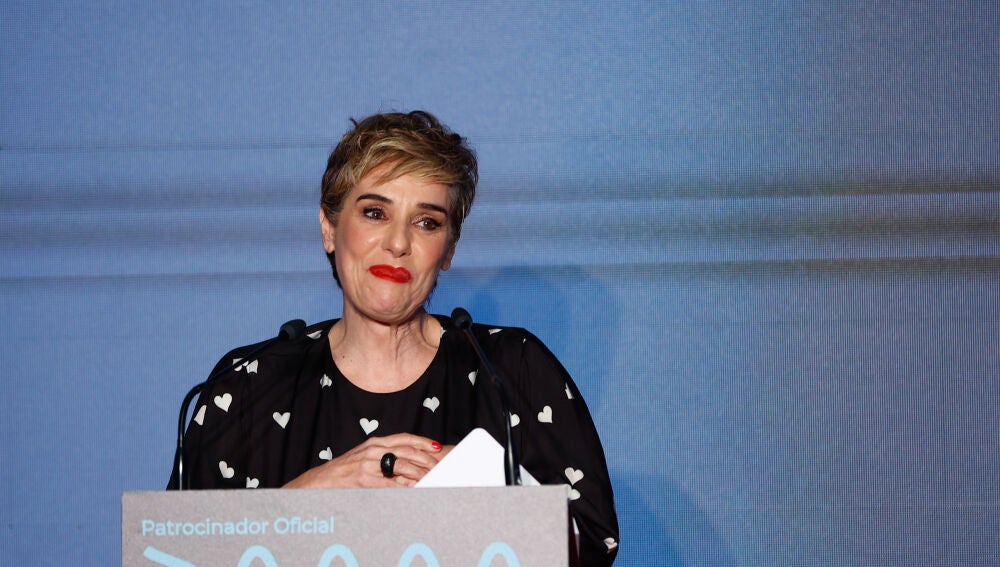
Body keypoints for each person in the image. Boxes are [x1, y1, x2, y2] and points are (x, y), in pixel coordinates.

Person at [171, 110, 619, 565]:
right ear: (329, 227)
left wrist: (477, 484)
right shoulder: (248, 384)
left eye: (427, 222)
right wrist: (308, 497)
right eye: (375, 213)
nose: (398, 243)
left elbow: (591, 548)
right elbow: (173, 554)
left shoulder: (511, 371)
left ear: (448, 249)